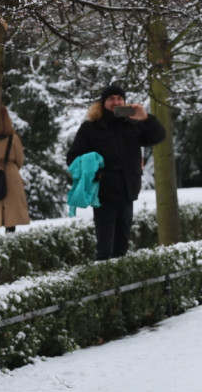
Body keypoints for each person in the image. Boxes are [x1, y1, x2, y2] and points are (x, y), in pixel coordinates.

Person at [66, 82, 166, 260]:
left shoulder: (132, 124)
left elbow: (158, 136)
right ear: (103, 103)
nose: (116, 102)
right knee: (105, 248)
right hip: (105, 194)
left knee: (122, 247)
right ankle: (104, 284)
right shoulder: (91, 127)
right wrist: (96, 173)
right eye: (111, 99)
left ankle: (119, 285)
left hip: (128, 192)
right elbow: (73, 158)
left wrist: (146, 118)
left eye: (120, 98)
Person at [0, 105, 30, 232]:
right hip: (10, 174)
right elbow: (20, 160)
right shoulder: (13, 139)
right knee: (11, 214)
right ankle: (11, 243)